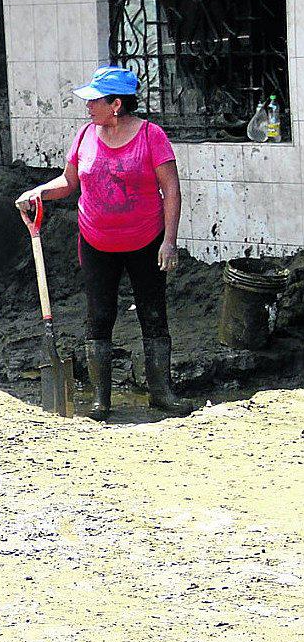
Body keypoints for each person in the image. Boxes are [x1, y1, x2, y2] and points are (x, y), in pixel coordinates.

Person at [15, 66, 194, 420]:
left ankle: (161, 393)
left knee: (153, 314)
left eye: (94, 100)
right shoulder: (85, 135)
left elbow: (171, 191)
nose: (87, 107)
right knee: (99, 317)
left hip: (146, 241)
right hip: (96, 242)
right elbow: (68, 183)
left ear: (116, 104)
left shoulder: (151, 136)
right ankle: (101, 401)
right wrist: (38, 192)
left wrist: (169, 241)